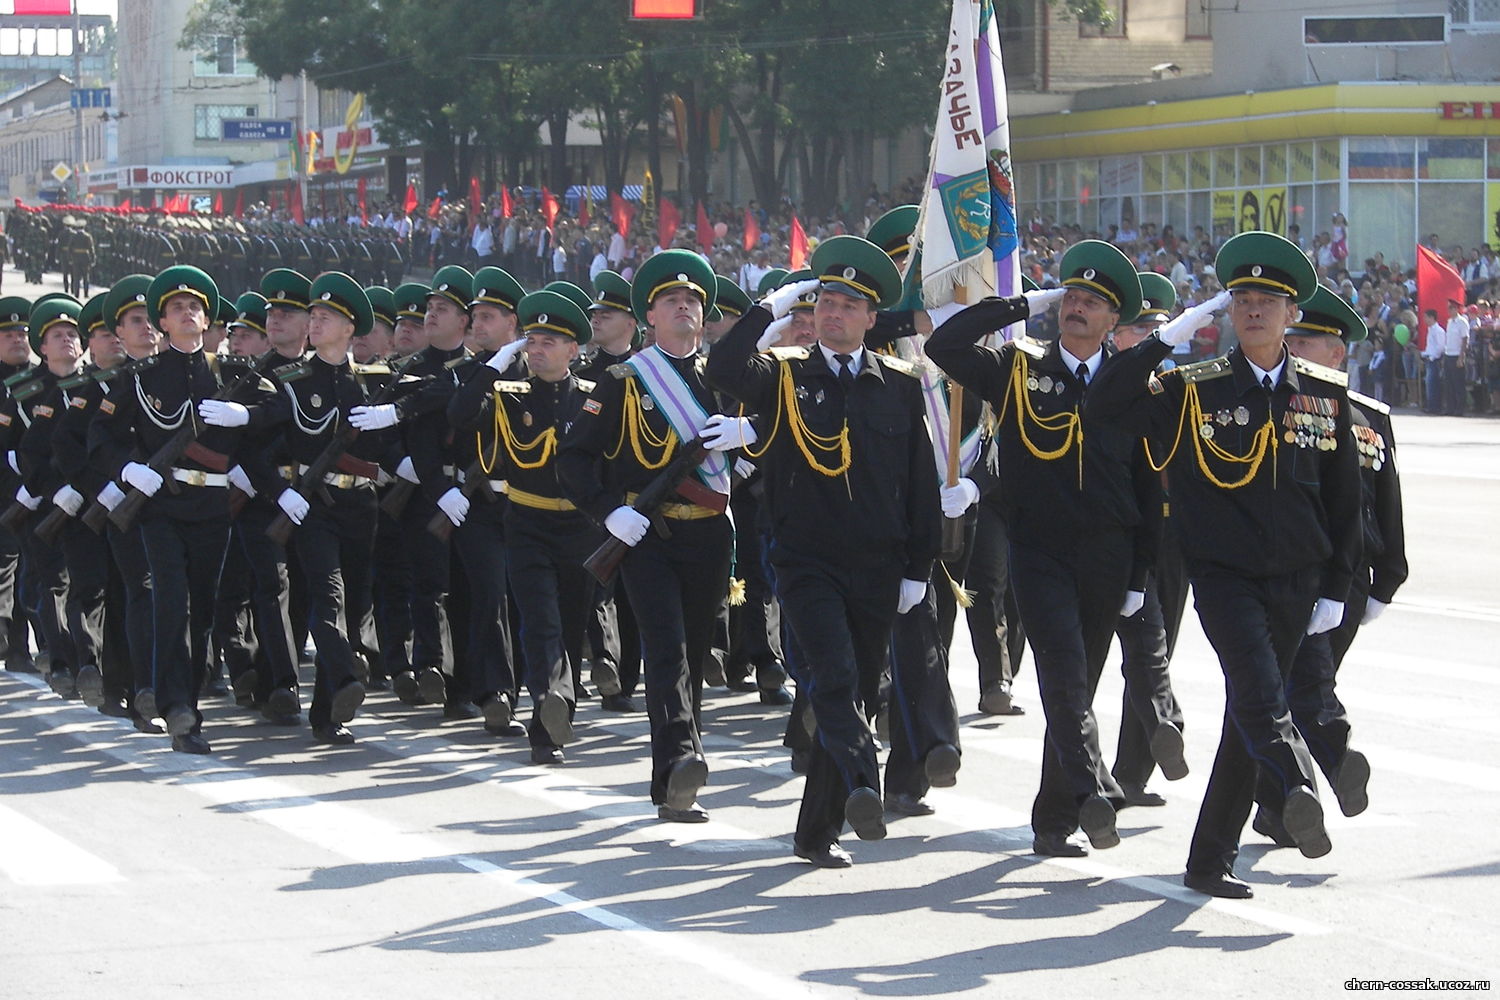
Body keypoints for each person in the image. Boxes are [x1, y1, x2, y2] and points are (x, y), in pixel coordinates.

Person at [1088, 231, 1362, 899]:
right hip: (1224, 576)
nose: (1254, 309)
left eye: (1268, 300)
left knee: (1249, 716)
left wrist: (1338, 585)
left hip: (1299, 578)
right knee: (1263, 695)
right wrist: (1165, 337)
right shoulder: (1192, 389)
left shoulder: (1324, 394)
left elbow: (1345, 501)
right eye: (1241, 298)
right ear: (1228, 312)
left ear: (1293, 314)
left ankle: (1209, 859)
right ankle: (1297, 785)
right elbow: (1103, 406)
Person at [707, 235, 939, 867]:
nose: (833, 313)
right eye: (825, 301)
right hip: (806, 557)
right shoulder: (783, 375)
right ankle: (865, 779)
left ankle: (817, 832)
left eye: (847, 305)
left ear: (872, 319)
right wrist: (769, 306)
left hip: (879, 560)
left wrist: (920, 565)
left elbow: (919, 481)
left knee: (861, 688)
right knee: (832, 677)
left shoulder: (899, 383)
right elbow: (721, 369)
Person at [927, 240, 1162, 858]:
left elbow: (1149, 485)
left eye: (1093, 301)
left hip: (1107, 556)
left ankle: (1053, 819)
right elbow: (943, 347)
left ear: (1115, 320)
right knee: (1060, 676)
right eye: (1071, 296)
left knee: (1080, 683)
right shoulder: (1019, 369)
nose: (1077, 307)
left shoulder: (1130, 384)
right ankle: (1095, 792)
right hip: (1039, 550)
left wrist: (1140, 573)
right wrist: (1021, 302)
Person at [560, 249, 735, 824]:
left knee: (693, 647)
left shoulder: (725, 379)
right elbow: (575, 460)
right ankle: (683, 758)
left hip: (710, 534)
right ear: (649, 318)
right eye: (669, 300)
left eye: (691, 300)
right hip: (646, 536)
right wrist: (609, 513)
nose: (682, 306)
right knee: (666, 651)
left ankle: (675, 782)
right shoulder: (622, 381)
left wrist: (749, 441)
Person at [201, 272, 394, 745]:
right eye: (317, 316)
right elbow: (268, 421)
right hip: (314, 506)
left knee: (356, 602)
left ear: (351, 330)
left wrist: (397, 413)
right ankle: (346, 672)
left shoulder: (373, 381)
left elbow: (438, 393)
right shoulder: (292, 379)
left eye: (328, 317)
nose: (318, 322)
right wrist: (249, 428)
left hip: (360, 504)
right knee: (325, 596)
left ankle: (328, 714)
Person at [1252, 287, 1407, 841]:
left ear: (1338, 353)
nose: (1294, 349)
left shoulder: (1368, 417)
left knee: (1293, 690)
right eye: (1290, 339)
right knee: (1284, 689)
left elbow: (1384, 499)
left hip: (1348, 579)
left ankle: (1312, 782)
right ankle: (1282, 805)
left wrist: (1389, 579)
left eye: (1306, 342)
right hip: (1292, 570)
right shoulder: (1274, 403)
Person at [87, 266, 251, 754]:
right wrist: (128, 469)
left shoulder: (232, 375)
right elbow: (101, 437)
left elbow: (281, 420)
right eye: (177, 308)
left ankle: (186, 696)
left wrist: (249, 416)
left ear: (207, 321)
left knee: (201, 608)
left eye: (195, 307)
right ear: (163, 322)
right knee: (171, 601)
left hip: (212, 506)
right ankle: (179, 708)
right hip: (161, 507)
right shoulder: (139, 378)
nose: (188, 313)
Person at [450, 288, 599, 763]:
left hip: (580, 528)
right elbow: (459, 413)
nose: (537, 351)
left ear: (574, 350)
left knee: (572, 625)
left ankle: (558, 710)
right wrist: (496, 362)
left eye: (548, 343)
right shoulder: (509, 396)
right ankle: (546, 711)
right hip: (527, 522)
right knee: (539, 621)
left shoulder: (594, 399)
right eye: (531, 341)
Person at [574, 270, 643, 713]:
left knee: (632, 595)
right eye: (595, 312)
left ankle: (626, 672)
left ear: (633, 321)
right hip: (594, 498)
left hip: (636, 498)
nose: (596, 319)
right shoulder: (584, 373)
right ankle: (605, 666)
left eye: (608, 313)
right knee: (595, 587)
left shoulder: (650, 372)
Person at [1444, 298, 1469, 415]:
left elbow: (1465, 339)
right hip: (1448, 354)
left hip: (1457, 355)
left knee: (1458, 383)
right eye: (1448, 307)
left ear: (1457, 309)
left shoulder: (1462, 321)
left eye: (1451, 308)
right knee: (1449, 384)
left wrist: (1461, 356)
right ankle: (1450, 408)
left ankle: (1460, 408)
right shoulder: (1449, 322)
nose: (1449, 310)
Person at [1421, 309, 1444, 413]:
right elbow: (1430, 347)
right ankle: (1431, 406)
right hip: (1428, 359)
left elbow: (1440, 347)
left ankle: (1434, 407)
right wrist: (1424, 354)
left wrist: (1432, 357)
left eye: (1426, 317)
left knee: (1432, 383)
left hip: (1434, 360)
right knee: (1429, 383)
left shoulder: (1438, 331)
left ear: (1432, 317)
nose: (1424, 319)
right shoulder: (1430, 330)